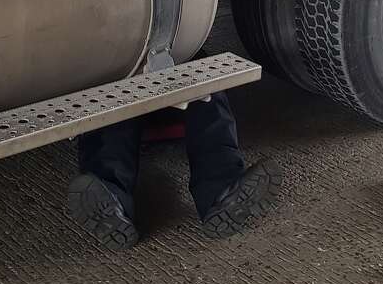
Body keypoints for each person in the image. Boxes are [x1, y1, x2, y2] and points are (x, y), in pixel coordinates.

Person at [67, 92, 281, 250]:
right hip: (125, 81)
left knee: (208, 84)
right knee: (108, 98)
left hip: (172, 75)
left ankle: (224, 192)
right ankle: (109, 203)